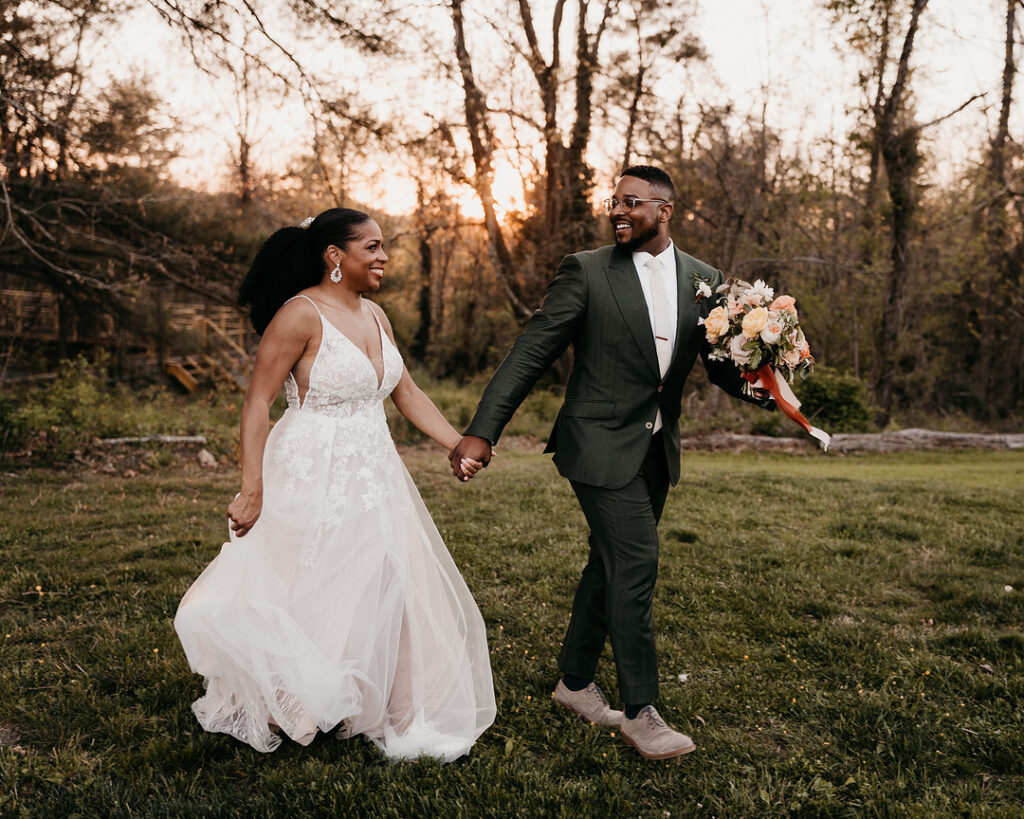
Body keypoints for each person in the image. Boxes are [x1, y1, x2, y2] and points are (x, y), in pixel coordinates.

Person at [449, 165, 773, 760]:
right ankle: (642, 712)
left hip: (655, 446)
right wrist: (481, 432)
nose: (618, 211)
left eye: (632, 202)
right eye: (612, 201)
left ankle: (574, 685)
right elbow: (530, 354)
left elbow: (718, 360)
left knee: (608, 563)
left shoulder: (703, 280)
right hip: (596, 443)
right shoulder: (587, 270)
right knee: (636, 560)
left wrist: (763, 384)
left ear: (666, 209)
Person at [174, 208, 495, 761]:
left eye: (383, 246)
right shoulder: (299, 315)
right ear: (335, 256)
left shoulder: (377, 316)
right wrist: (251, 487)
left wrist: (457, 443)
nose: (383, 256)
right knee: (311, 578)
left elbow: (407, 393)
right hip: (309, 465)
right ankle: (293, 700)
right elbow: (257, 402)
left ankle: (377, 702)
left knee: (382, 577)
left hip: (374, 471)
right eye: (371, 246)